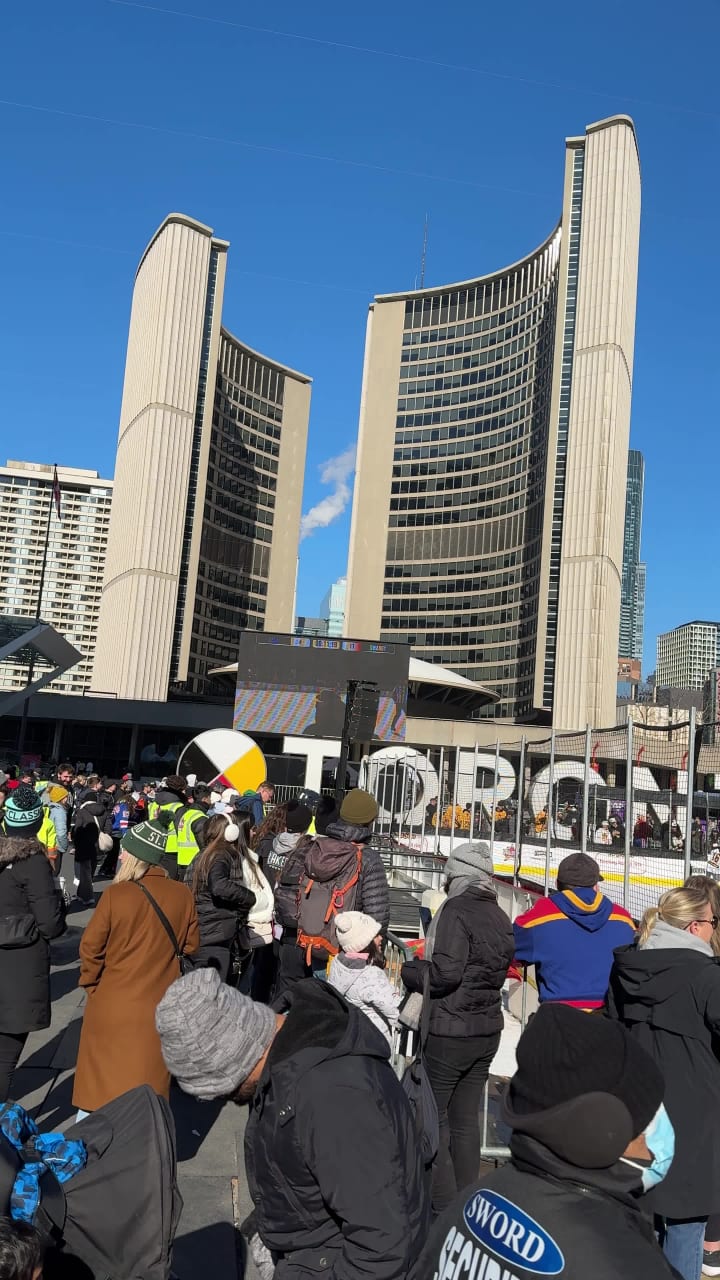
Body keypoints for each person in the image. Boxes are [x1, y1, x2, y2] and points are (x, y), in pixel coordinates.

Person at [156, 967, 429, 1279]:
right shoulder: (287, 1057)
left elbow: (381, 1246)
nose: (223, 1098)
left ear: (235, 1060)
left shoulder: (334, 1097)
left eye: (219, 1089)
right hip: (312, 1253)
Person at [412, 1002, 682, 1280]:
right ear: (600, 1128)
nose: (658, 1131)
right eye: (648, 1118)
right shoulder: (625, 1263)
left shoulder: (474, 1203)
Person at [607, 883, 720, 1279]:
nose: (714, 929)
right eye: (712, 922)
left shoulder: (628, 968)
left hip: (640, 1109)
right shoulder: (705, 977)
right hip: (694, 1117)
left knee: (644, 1219)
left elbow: (612, 1030)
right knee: (686, 1226)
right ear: (694, 927)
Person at [401, 841, 514, 1211]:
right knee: (466, 1119)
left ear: (457, 876)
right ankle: (468, 1199)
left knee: (437, 1118)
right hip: (486, 1029)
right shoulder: (498, 914)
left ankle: (442, 1205)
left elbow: (446, 974)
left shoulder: (456, 911)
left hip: (451, 1030)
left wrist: (412, 970)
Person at [72, 817, 199, 1115]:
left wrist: (92, 986)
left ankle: (91, 1153)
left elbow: (90, 948)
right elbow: (192, 946)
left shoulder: (117, 895)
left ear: (133, 856)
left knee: (98, 1091)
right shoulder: (182, 894)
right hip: (158, 1004)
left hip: (112, 1002)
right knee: (145, 1092)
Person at [274, 789, 389, 996]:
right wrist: (378, 950)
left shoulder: (318, 847)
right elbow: (377, 913)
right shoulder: (368, 858)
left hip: (310, 940)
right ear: (370, 820)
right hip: (344, 951)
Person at [513, 851, 636, 1010]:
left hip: (558, 1017)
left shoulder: (540, 915)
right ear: (596, 886)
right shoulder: (623, 918)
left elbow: (507, 950)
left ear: (557, 884)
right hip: (610, 1017)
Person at [0, 822, 65, 1101]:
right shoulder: (32, 861)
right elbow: (50, 925)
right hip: (19, 969)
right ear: (37, 823)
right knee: (4, 1058)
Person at [188, 813, 257, 982]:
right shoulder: (221, 854)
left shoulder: (202, 855)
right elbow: (219, 885)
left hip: (201, 931)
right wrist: (249, 897)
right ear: (232, 832)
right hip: (214, 935)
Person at [328, 911, 401, 1045]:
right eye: (375, 936)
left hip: (350, 1038)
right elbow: (397, 1012)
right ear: (363, 943)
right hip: (374, 1043)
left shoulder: (337, 963)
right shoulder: (371, 975)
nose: (380, 938)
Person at [71, 780, 112, 906]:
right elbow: (108, 829)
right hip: (98, 846)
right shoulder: (104, 811)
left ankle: (88, 897)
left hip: (84, 845)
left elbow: (77, 829)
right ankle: (81, 894)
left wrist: (75, 843)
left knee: (85, 872)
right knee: (90, 871)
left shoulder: (82, 811)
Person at [148, 774, 188, 879]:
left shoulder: (154, 803)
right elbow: (181, 829)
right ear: (181, 790)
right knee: (169, 882)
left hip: (154, 844)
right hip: (172, 850)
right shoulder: (179, 807)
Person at [175, 784, 212, 878]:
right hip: (194, 863)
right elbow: (204, 845)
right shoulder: (200, 818)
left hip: (182, 860)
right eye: (210, 798)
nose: (211, 801)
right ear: (205, 799)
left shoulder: (187, 814)